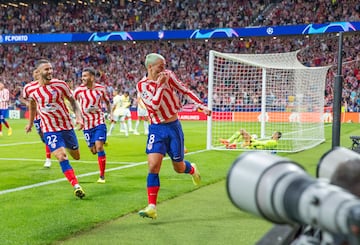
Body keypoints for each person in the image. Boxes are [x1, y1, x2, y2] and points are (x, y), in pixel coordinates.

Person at [136, 53, 211, 219]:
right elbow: (154, 106)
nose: (164, 70)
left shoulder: (168, 76)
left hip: (173, 127)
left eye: (164, 66)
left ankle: (191, 169)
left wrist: (201, 106)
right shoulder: (142, 86)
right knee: (153, 166)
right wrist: (161, 86)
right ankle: (152, 207)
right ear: (150, 67)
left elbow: (184, 90)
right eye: (160, 67)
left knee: (178, 167)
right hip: (156, 128)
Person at [24, 59, 85, 199]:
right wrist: (31, 122)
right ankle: (76, 186)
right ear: (38, 72)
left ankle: (69, 149)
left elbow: (73, 101)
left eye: (51, 69)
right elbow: (32, 105)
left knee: (76, 156)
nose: (50, 72)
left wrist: (79, 117)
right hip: (49, 128)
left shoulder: (60, 85)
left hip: (66, 126)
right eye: (46, 69)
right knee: (61, 156)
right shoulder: (29, 89)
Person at [74, 67, 111, 184]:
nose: (83, 78)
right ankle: (99, 141)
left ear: (92, 77)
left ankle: (102, 176)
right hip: (86, 124)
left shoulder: (101, 89)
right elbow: (73, 103)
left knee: (99, 147)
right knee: (93, 150)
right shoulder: (79, 90)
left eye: (85, 76)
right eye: (82, 76)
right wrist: (78, 117)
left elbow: (107, 102)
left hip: (99, 121)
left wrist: (110, 114)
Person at [22, 69, 52, 168]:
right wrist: (28, 103)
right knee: (42, 136)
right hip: (35, 117)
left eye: (39, 72)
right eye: (35, 72)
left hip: (45, 115)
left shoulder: (47, 85)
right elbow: (23, 98)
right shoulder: (28, 87)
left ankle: (48, 159)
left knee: (46, 135)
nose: (37, 74)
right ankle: (52, 146)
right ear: (33, 74)